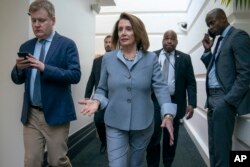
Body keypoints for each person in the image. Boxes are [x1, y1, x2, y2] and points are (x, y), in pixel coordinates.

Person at [79, 12, 176, 167]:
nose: (123, 32)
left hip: (143, 123)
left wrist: (168, 114)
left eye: (128, 29)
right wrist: (97, 101)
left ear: (138, 32)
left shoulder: (150, 58)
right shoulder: (108, 59)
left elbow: (161, 88)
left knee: (135, 164)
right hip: (114, 121)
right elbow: (102, 89)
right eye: (120, 29)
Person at [11, 0, 81, 166]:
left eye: (41, 20)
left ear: (53, 20)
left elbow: (75, 75)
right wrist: (19, 69)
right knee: (31, 161)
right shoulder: (26, 46)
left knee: (57, 161)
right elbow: (16, 79)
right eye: (33, 20)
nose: (36, 25)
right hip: (31, 115)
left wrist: (45, 68)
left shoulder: (67, 45)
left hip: (57, 113)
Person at [201, 8, 250, 167]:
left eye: (212, 22)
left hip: (224, 99)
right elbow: (219, 71)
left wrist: (228, 101)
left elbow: (245, 74)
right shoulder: (220, 40)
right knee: (214, 148)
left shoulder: (238, 36)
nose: (210, 28)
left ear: (223, 18)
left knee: (222, 151)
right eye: (208, 25)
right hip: (212, 99)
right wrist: (208, 50)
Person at [146, 30, 197, 167]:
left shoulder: (185, 58)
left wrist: (192, 103)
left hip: (175, 102)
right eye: (166, 38)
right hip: (155, 101)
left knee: (170, 136)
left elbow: (191, 82)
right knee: (154, 136)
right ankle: (153, 164)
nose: (169, 41)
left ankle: (168, 163)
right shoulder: (152, 56)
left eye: (172, 39)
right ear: (162, 40)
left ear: (176, 42)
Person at [84, 35, 112, 154]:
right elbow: (92, 79)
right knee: (98, 121)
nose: (108, 44)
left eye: (110, 42)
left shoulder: (120, 59)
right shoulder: (97, 61)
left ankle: (114, 143)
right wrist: (87, 96)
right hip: (99, 98)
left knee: (114, 122)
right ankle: (104, 142)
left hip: (115, 97)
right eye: (106, 42)